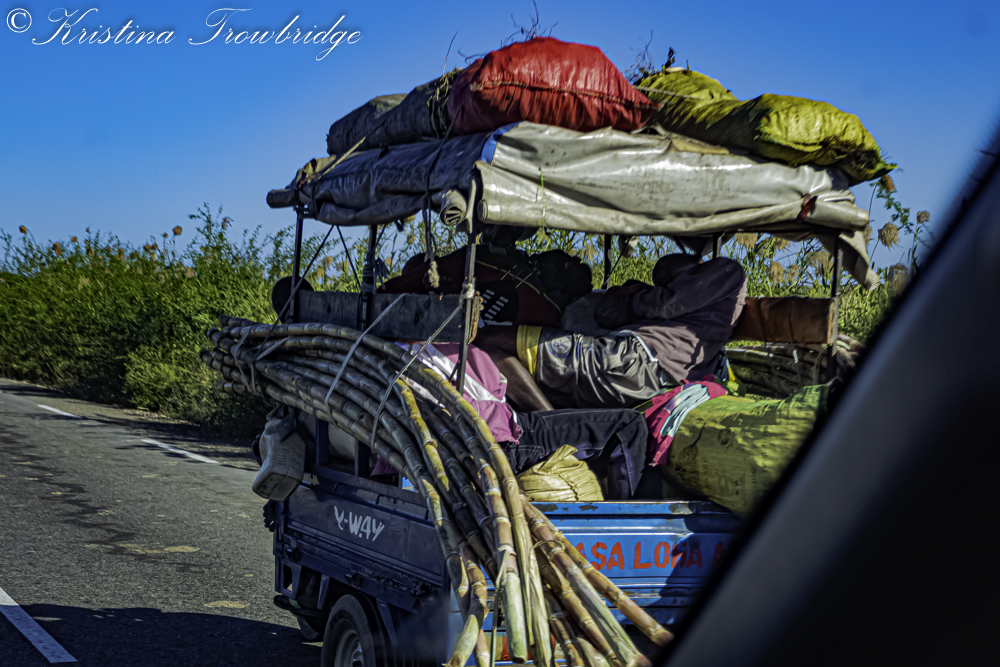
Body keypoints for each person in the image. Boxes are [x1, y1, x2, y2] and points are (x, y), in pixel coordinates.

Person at [475, 254, 747, 410]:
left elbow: (665, 303)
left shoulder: (726, 270)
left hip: (633, 360)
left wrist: (635, 297)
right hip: (634, 366)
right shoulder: (703, 309)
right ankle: (550, 420)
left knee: (490, 339)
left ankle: (551, 425)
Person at [389, 341, 648, 500]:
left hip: (471, 444)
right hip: (501, 440)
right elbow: (497, 383)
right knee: (629, 424)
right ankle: (625, 519)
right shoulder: (442, 347)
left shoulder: (388, 359)